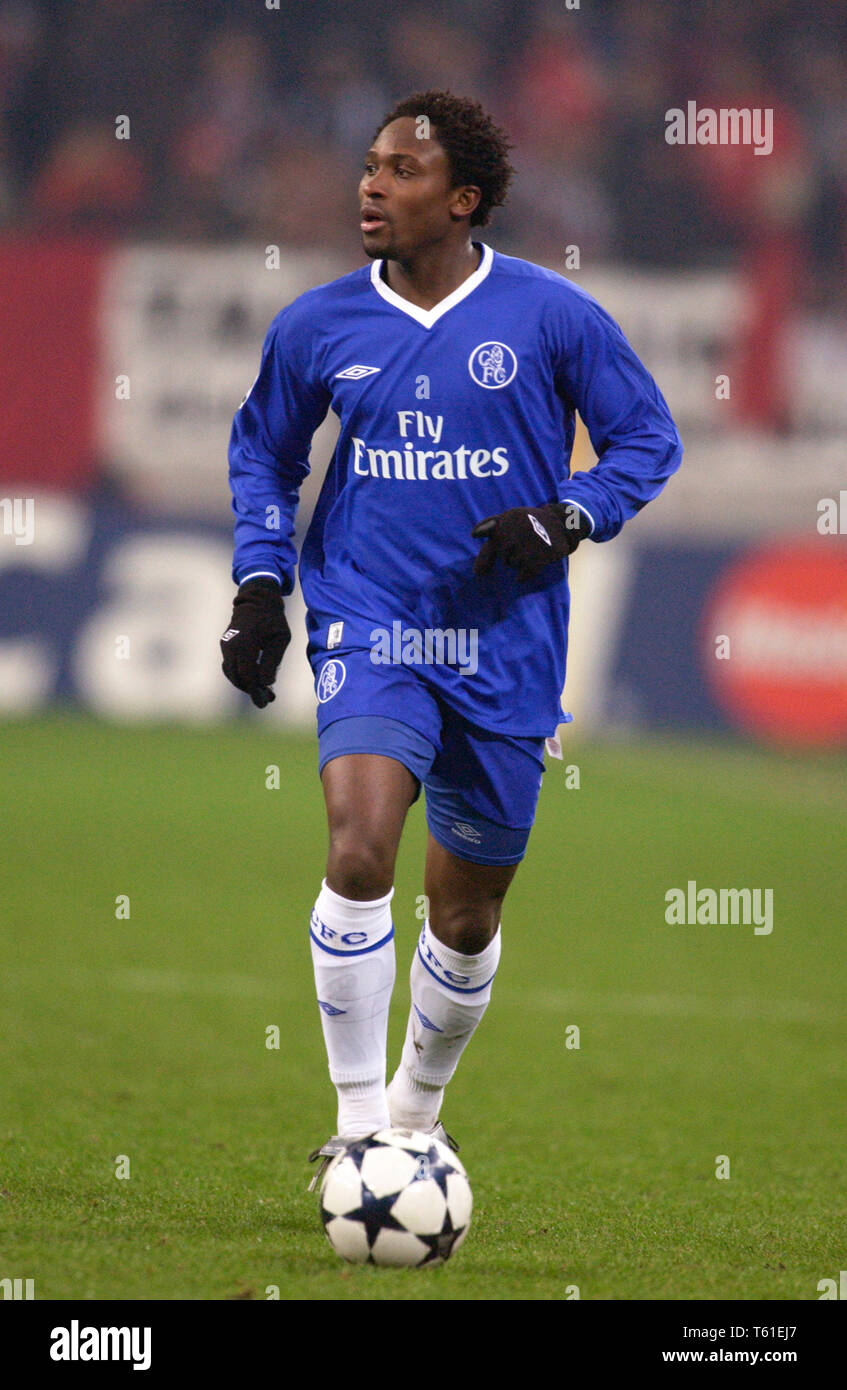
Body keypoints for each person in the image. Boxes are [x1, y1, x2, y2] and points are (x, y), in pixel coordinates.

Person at [220, 91, 683, 1189]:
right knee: (356, 849)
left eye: (400, 171)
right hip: (372, 619)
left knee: (466, 914)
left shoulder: (549, 316)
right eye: (368, 166)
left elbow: (645, 439)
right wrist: (257, 583)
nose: (371, 186)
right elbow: (263, 455)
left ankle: (417, 1109)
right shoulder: (320, 323)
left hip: (503, 644)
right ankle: (358, 1128)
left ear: (463, 199)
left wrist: (568, 515)